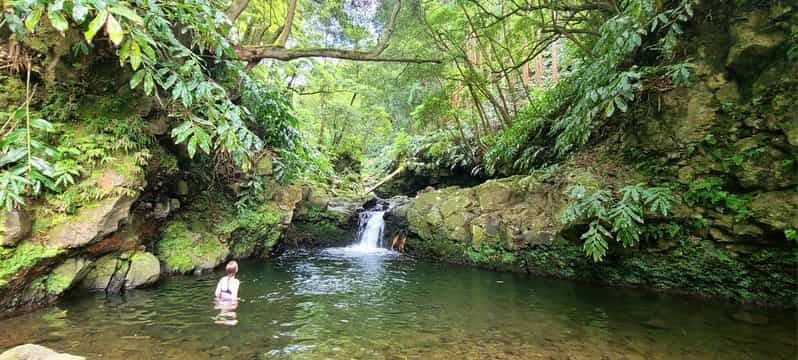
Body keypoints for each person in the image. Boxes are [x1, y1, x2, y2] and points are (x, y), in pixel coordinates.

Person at [214, 261, 240, 325]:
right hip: (230, 301)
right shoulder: (236, 282)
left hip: (220, 300)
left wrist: (218, 300)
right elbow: (234, 296)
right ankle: (225, 321)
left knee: (223, 311)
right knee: (234, 317)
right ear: (236, 270)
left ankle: (221, 318)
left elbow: (216, 293)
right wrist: (236, 302)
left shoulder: (222, 279)